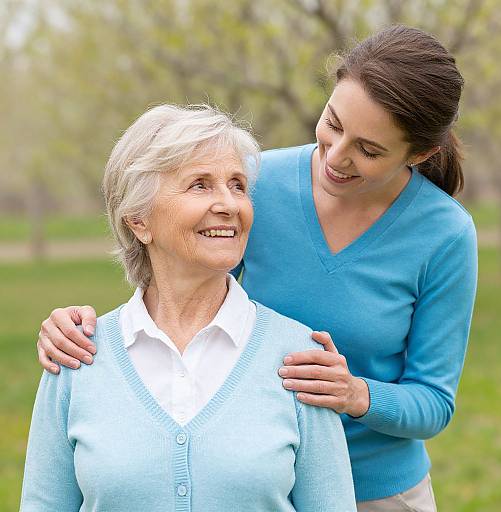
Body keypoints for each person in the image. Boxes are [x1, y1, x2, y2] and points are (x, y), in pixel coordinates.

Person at [35, 25, 478, 511]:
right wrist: (81, 329)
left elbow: (434, 401)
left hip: (380, 491)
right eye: (332, 123)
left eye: (369, 150)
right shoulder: (255, 185)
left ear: (419, 154)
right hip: (248, 475)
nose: (336, 155)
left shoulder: (444, 235)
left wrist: (354, 394)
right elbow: (180, 280)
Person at [21, 105, 357, 511]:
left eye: (237, 185)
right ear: (138, 220)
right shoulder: (76, 356)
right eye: (200, 185)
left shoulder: (300, 356)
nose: (229, 204)